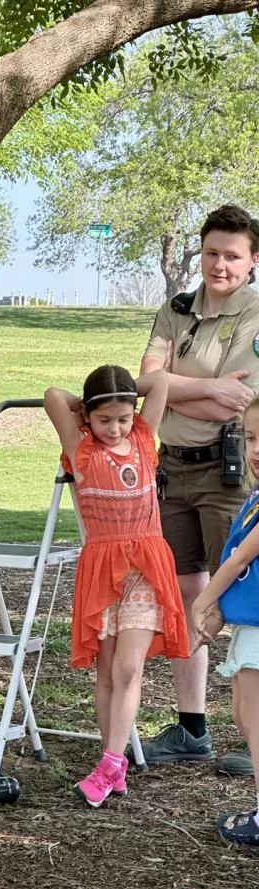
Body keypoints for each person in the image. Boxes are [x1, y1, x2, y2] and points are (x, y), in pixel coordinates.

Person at [140, 204, 259, 773]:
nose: (220, 265)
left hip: (229, 470)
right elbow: (144, 382)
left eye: (233, 256)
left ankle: (252, 733)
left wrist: (172, 385)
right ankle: (193, 728)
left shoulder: (256, 313)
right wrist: (201, 387)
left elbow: (241, 399)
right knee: (184, 596)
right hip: (173, 468)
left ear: (253, 261)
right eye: (212, 252)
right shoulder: (176, 309)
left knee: (245, 598)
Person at [44, 365, 189, 807]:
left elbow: (159, 382)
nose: (116, 427)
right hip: (103, 571)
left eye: (124, 417)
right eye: (104, 419)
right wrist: (89, 409)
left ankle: (110, 764)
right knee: (106, 671)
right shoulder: (82, 449)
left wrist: (124, 394)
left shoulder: (145, 439)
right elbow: (54, 394)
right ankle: (113, 761)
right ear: (88, 418)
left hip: (146, 567)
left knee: (128, 668)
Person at [191, 396, 259, 847]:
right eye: (251, 437)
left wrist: (201, 603)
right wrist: (216, 618)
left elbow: (239, 560)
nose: (256, 448)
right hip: (251, 626)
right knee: (244, 713)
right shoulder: (254, 497)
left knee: (254, 717)